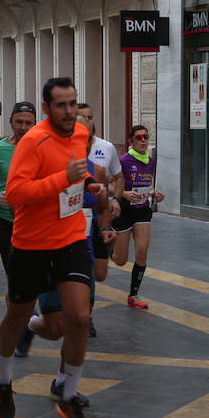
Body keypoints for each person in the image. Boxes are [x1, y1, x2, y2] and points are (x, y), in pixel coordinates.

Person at [0, 77, 103, 418]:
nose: (70, 111)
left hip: (69, 238)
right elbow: (16, 193)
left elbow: (79, 172)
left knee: (80, 318)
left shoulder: (81, 135)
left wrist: (90, 184)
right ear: (46, 108)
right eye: (61, 105)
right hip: (30, 244)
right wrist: (61, 179)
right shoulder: (33, 141)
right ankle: (4, 380)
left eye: (73, 103)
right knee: (19, 316)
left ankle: (68, 396)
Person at [0, 102, 37, 272]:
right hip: (7, 223)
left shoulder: (44, 147)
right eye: (19, 122)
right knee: (15, 278)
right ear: (10, 121)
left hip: (38, 222)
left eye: (28, 123)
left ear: (35, 124)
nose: (23, 127)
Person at [110, 125, 165, 309]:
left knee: (142, 252)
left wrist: (155, 194)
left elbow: (148, 185)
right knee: (120, 260)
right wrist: (124, 194)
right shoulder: (123, 161)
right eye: (139, 137)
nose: (143, 140)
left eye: (145, 137)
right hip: (124, 211)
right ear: (131, 141)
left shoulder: (151, 162)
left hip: (142, 211)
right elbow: (111, 186)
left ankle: (133, 295)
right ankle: (107, 247)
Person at [81, 103, 123, 287]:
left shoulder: (105, 147)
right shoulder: (61, 150)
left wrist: (115, 200)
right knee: (80, 274)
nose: (86, 122)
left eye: (89, 118)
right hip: (70, 222)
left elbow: (119, 177)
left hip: (97, 216)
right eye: (82, 118)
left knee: (99, 274)